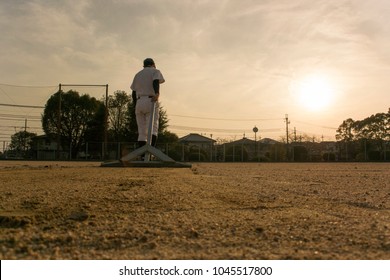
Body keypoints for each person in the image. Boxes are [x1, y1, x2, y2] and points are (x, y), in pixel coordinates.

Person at [130, 58, 165, 149]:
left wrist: (135, 105)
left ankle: (142, 156)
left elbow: (133, 92)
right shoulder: (155, 71)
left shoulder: (137, 74)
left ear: (144, 65)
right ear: (153, 64)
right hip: (151, 100)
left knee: (141, 131)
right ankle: (150, 152)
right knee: (153, 127)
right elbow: (155, 81)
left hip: (139, 101)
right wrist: (157, 93)